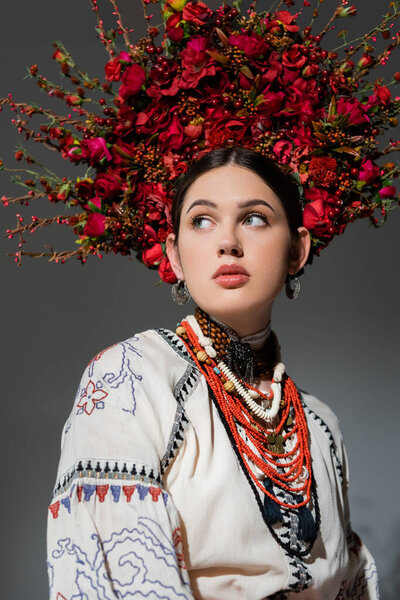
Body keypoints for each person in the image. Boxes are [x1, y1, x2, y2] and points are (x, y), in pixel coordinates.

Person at [47, 146, 379, 599]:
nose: (228, 242)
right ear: (176, 256)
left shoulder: (320, 426)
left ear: (297, 250)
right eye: (201, 221)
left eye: (254, 218)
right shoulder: (130, 378)